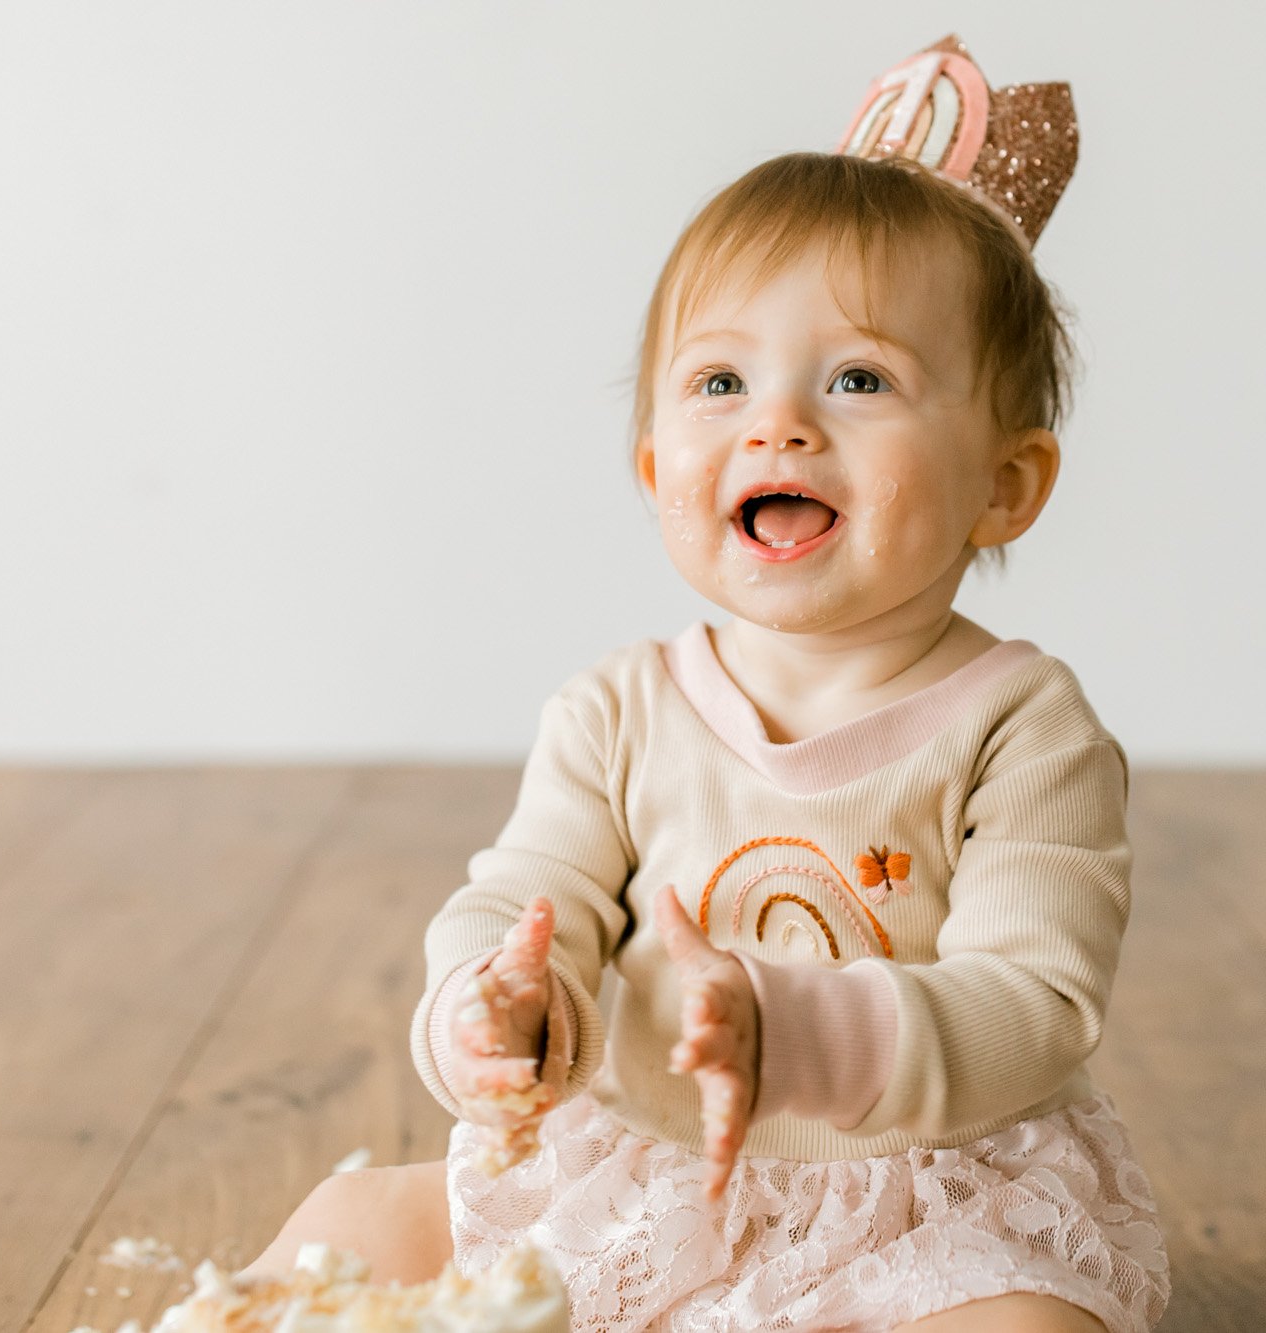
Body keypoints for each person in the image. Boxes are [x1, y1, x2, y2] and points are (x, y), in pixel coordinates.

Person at [245, 34, 1172, 1333]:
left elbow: (1035, 1005)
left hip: (921, 1196)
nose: (776, 424)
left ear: (1005, 483)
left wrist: (792, 1037)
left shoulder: (1023, 727)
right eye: (721, 380)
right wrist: (500, 1009)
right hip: (649, 1172)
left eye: (859, 379)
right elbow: (527, 897)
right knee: (342, 1231)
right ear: (653, 466)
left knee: (1022, 1326)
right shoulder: (617, 713)